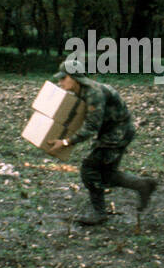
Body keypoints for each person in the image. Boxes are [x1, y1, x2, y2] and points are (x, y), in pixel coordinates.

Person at [45, 59, 158, 225]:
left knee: (89, 170)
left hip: (117, 133)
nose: (60, 82)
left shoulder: (93, 93)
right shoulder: (81, 92)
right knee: (106, 174)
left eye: (64, 78)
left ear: (74, 78)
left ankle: (99, 213)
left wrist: (66, 142)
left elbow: (91, 127)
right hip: (113, 131)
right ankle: (142, 185)